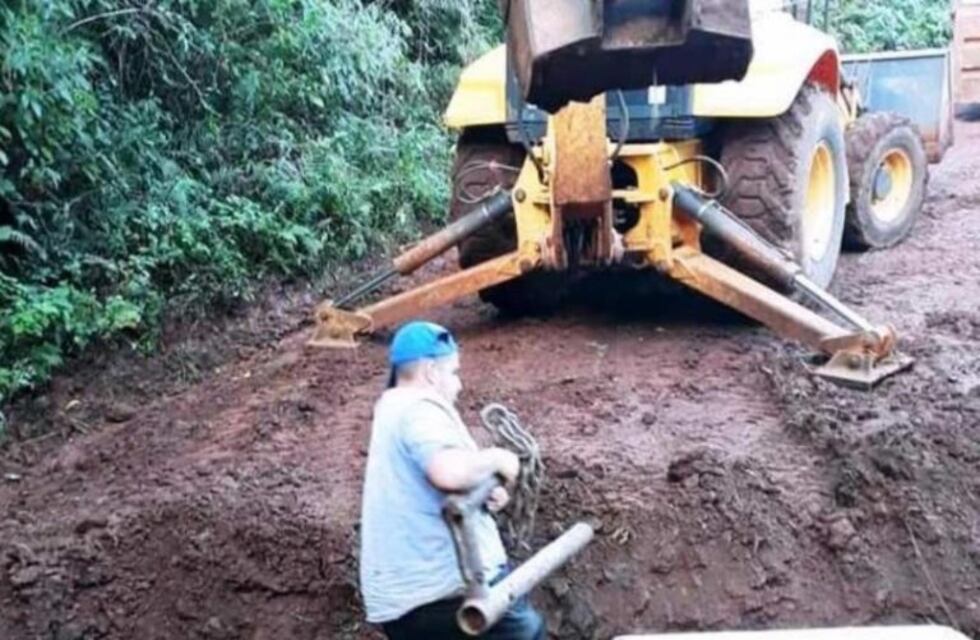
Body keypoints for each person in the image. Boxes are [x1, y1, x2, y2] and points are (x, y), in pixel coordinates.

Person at [359, 321, 546, 639]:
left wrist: (482, 490)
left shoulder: (391, 407)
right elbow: (445, 471)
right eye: (454, 372)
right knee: (526, 632)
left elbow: (432, 478)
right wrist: (498, 459)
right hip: (439, 592)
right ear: (432, 371)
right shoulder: (419, 408)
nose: (458, 385)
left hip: (403, 600)